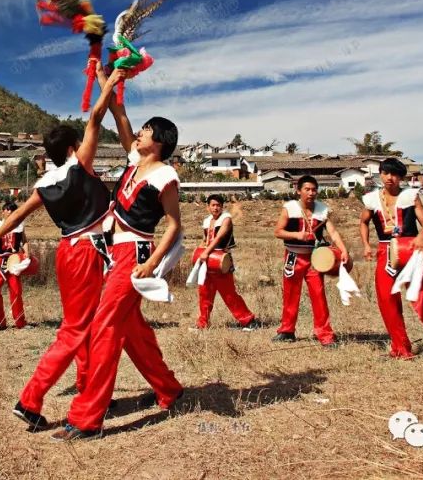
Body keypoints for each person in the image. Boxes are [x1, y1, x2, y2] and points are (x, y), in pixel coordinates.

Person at [56, 78, 184, 441]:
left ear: (158, 141)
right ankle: (169, 389)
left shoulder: (165, 176)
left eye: (146, 131)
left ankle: (87, 418)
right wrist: (108, 75)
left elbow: (174, 225)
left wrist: (150, 263)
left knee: (104, 328)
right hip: (113, 252)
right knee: (132, 331)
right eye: (140, 131)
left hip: (135, 254)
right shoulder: (133, 159)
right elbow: (118, 111)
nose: (138, 134)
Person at [359, 158, 423, 371]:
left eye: (395, 174)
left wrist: (421, 237)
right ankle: (401, 349)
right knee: (387, 301)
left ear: (402, 177)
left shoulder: (410, 196)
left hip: (411, 249)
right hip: (385, 251)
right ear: (380, 174)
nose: (390, 178)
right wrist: (366, 245)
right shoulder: (371, 199)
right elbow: (363, 222)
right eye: (387, 173)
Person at [272, 176, 349, 347]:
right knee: (290, 294)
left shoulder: (323, 210)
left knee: (318, 294)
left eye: (314, 189)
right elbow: (278, 231)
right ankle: (287, 331)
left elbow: (333, 233)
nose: (311, 193)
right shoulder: (289, 208)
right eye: (307, 189)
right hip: (293, 256)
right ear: (298, 190)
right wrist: (296, 235)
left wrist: (343, 250)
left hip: (315, 258)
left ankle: (325, 335)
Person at [194, 194, 257, 330]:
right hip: (208, 260)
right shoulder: (207, 221)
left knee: (228, 293)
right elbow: (205, 240)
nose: (216, 208)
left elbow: (218, 238)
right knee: (204, 292)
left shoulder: (226, 219)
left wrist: (205, 252)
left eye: (218, 205)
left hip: (222, 258)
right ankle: (202, 323)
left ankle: (248, 320)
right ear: (208, 207)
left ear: (222, 207)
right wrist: (199, 253)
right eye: (213, 205)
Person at [0, 202, 28, 330]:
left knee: (16, 291)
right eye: (6, 209)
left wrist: (27, 253)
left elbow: (24, 241)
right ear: (2, 212)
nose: (9, 212)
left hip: (14, 259)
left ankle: (20, 322)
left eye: (12, 210)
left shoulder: (19, 226)